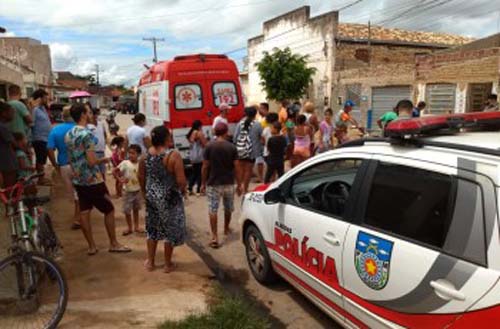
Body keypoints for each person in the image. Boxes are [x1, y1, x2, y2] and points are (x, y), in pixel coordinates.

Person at [65, 103, 130, 256]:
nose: (91, 115)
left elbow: (70, 158)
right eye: (88, 112)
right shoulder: (86, 135)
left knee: (85, 211)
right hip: (92, 180)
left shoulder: (69, 134)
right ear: (82, 114)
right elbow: (92, 161)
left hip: (79, 179)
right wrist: (104, 160)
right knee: (109, 209)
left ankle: (92, 246)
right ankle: (113, 243)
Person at [138, 125, 187, 273]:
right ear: (166, 138)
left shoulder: (145, 156)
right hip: (170, 198)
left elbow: (141, 176)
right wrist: (183, 190)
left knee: (152, 229)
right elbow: (180, 180)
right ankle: (167, 264)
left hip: (152, 197)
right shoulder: (173, 155)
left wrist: (144, 193)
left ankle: (151, 263)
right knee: (169, 230)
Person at [201, 122, 241, 248]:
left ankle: (214, 236)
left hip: (213, 183)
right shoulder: (231, 147)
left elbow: (205, 166)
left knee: (213, 209)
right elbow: (237, 167)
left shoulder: (209, 146)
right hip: (229, 182)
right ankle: (226, 228)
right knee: (228, 207)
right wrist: (239, 184)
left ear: (215, 132)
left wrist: (203, 183)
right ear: (226, 132)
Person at [47, 107, 80, 230]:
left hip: (64, 165)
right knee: (79, 192)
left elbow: (49, 148)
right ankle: (78, 218)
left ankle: (78, 216)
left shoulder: (55, 130)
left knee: (72, 192)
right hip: (78, 164)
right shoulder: (79, 129)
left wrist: (55, 164)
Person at [114, 144, 144, 236]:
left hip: (138, 191)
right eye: (129, 153)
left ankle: (136, 226)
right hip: (127, 191)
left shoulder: (141, 164)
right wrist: (120, 179)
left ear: (138, 154)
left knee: (136, 209)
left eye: (133, 153)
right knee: (127, 210)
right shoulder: (125, 163)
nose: (131, 155)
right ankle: (129, 227)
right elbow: (115, 171)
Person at [233, 106, 263, 194]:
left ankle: (239, 187)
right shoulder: (257, 124)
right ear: (255, 114)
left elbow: (235, 138)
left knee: (240, 170)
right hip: (252, 151)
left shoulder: (240, 123)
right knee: (248, 171)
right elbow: (261, 137)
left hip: (240, 149)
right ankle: (245, 189)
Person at [31, 89, 52, 185]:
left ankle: (42, 177)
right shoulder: (35, 110)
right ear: (40, 98)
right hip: (39, 138)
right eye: (45, 97)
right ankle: (40, 179)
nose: (47, 99)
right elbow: (31, 123)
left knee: (43, 159)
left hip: (45, 138)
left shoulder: (43, 109)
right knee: (40, 160)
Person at [187, 120, 207, 195]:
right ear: (199, 126)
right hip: (199, 155)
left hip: (193, 155)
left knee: (195, 172)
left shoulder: (191, 133)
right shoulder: (199, 133)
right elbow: (204, 144)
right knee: (200, 173)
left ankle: (189, 188)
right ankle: (199, 190)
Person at [87, 106, 108, 180]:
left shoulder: (101, 124)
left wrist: (105, 145)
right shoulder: (88, 126)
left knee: (102, 171)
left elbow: (105, 135)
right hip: (93, 152)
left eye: (98, 114)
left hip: (101, 151)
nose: (96, 116)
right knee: (94, 172)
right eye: (95, 114)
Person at [0, 102, 17, 188]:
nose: (13, 115)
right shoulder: (3, 127)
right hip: (6, 159)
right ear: (4, 113)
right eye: (11, 112)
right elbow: (12, 143)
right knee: (10, 184)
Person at [255, 102, 270, 182]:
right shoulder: (261, 119)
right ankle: (261, 178)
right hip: (261, 142)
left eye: (261, 108)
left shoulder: (267, 118)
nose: (259, 110)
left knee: (267, 160)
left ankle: (268, 177)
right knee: (260, 160)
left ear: (265, 109)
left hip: (266, 142)